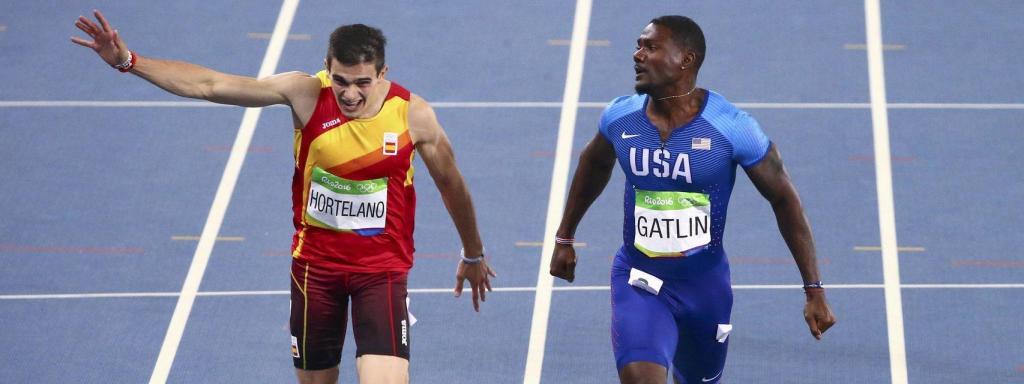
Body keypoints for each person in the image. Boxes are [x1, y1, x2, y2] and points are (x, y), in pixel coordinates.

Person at [72, 10, 496, 384]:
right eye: (341, 81)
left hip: (380, 272)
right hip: (316, 272)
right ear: (326, 67)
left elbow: (450, 182)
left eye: (363, 83)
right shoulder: (305, 93)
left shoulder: (412, 114)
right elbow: (210, 84)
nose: (350, 95)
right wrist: (129, 62)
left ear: (383, 74)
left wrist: (473, 254)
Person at [549, 15, 836, 384]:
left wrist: (813, 288)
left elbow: (784, 199)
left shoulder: (732, 127)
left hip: (706, 289)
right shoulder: (620, 117)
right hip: (640, 278)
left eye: (650, 47)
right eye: (638, 46)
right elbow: (594, 164)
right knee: (640, 377)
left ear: (685, 59)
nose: (637, 55)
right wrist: (564, 237)